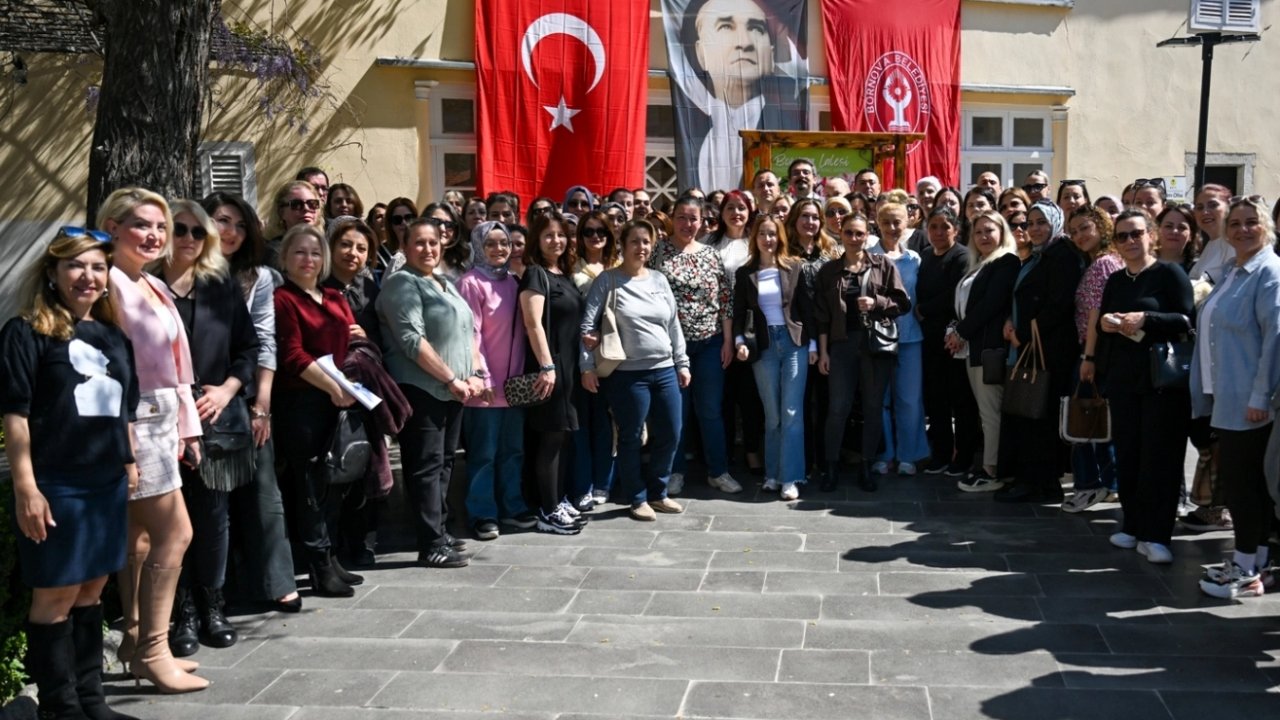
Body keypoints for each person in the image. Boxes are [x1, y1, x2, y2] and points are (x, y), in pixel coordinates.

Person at [3, 227, 145, 718]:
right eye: (76, 265)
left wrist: (128, 463)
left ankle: (91, 700)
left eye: (98, 267)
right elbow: (16, 416)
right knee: (57, 592)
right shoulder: (26, 333)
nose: (88, 276)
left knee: (92, 589)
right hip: (56, 483)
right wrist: (27, 487)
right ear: (52, 273)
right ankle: (60, 709)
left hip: (104, 482)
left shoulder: (113, 336)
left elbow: (123, 410)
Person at [99, 188, 208, 694]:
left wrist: (188, 428)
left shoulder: (151, 285)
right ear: (114, 227)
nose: (156, 235)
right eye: (143, 224)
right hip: (134, 420)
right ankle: (153, 650)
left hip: (162, 417)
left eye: (160, 227)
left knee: (140, 539)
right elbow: (108, 368)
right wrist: (122, 441)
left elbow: (178, 368)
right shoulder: (109, 284)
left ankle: (136, 637)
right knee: (175, 533)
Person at [158, 201, 257, 660]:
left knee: (213, 518)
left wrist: (228, 391)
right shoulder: (143, 286)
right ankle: (181, 615)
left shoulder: (220, 286)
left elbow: (247, 348)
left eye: (198, 232)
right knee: (168, 523)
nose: (188, 239)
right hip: (158, 420)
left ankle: (213, 607)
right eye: (179, 229)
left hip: (213, 416)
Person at [201, 192, 301, 615]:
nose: (232, 232)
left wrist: (262, 405)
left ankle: (276, 581)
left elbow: (263, 342)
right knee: (211, 503)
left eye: (241, 225)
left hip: (243, 393)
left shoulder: (257, 277)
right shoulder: (185, 273)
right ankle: (209, 597)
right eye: (223, 221)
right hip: (198, 395)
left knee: (264, 492)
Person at [377, 219, 482, 567]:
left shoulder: (443, 282)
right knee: (425, 465)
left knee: (444, 463)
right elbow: (412, 341)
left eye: (433, 242)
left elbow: (468, 332)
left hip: (454, 390)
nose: (428, 249)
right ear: (405, 247)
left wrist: (477, 373)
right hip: (423, 389)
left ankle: (439, 529)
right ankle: (429, 543)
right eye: (419, 243)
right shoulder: (401, 284)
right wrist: (452, 378)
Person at [1191, 197, 1280, 597]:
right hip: (1226, 393)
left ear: (1267, 227)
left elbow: (1275, 340)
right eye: (1236, 224)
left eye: (1252, 223)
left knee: (1244, 485)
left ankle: (1244, 566)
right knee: (1248, 483)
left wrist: (1260, 395)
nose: (1243, 230)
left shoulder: (1270, 273)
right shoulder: (1233, 270)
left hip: (1250, 399)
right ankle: (1256, 560)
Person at [1097, 209, 1194, 564]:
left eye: (1136, 234)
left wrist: (1147, 319)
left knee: (1160, 458)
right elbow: (1102, 321)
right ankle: (1133, 524)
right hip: (1124, 381)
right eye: (1122, 236)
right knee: (1129, 456)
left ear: (1151, 235)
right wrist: (1107, 324)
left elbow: (1186, 320)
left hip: (1162, 384)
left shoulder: (1169, 273)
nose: (1129, 242)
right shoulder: (1117, 280)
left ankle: (1158, 534)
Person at [272, 224, 362, 595]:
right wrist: (333, 386)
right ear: (286, 258)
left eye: (315, 253)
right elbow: (293, 355)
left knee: (333, 482)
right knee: (308, 484)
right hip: (303, 402)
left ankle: (332, 555)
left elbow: (349, 335)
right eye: (300, 252)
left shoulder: (334, 296)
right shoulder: (283, 299)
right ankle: (318, 565)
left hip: (337, 400)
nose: (308, 259)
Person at [581, 220, 690, 520]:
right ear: (623, 245)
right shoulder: (608, 280)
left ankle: (659, 492)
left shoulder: (659, 280)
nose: (641, 247)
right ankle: (637, 497)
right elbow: (587, 327)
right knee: (630, 437)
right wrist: (587, 365)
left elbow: (673, 324)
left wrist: (682, 362)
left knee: (671, 431)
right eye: (635, 241)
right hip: (627, 374)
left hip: (665, 368)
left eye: (646, 242)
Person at [650, 196, 743, 495]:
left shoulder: (711, 255)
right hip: (671, 347)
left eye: (693, 218)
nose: (687, 224)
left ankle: (718, 471)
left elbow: (725, 301)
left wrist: (728, 340)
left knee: (710, 410)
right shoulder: (658, 253)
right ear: (671, 218)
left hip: (710, 343)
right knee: (677, 411)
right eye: (681, 217)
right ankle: (675, 471)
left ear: (703, 221)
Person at [996, 200, 1084, 503]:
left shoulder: (1062, 255)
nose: (1033, 229)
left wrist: (1023, 333)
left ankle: (1039, 481)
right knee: (1029, 413)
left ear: (1055, 222)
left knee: (1039, 416)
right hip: (1030, 344)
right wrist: (1012, 321)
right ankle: (1033, 479)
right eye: (1029, 223)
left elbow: (1058, 304)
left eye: (1041, 222)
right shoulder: (1039, 255)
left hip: (1048, 349)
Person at [669, 0, 807, 193]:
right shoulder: (691, 130)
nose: (745, 43)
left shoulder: (787, 123)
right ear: (701, 53)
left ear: (771, 53)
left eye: (756, 28)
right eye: (726, 26)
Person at [815, 213, 910, 491]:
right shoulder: (829, 270)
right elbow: (821, 316)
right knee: (838, 408)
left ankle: (867, 466)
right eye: (849, 233)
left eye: (859, 234)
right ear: (840, 235)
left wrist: (877, 301)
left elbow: (903, 302)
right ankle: (830, 467)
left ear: (867, 235)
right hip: (841, 345)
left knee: (872, 407)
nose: (854, 239)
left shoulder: (883, 264)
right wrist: (823, 352)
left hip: (874, 345)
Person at [458, 222, 535, 539]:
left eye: (504, 243)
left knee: (512, 451)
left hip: (513, 386)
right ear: (477, 245)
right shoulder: (470, 283)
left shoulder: (514, 282)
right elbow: (470, 333)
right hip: (485, 388)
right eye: (491, 243)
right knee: (483, 454)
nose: (500, 249)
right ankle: (482, 513)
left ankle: (512, 506)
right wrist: (482, 375)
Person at [520, 211, 590, 533]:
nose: (556, 240)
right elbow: (533, 324)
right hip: (551, 367)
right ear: (537, 239)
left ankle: (559, 499)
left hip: (570, 367)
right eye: (548, 235)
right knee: (550, 438)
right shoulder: (535, 273)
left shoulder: (562, 273)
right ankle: (547, 511)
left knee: (562, 437)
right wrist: (547, 366)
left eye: (561, 235)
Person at [733, 215, 811, 500]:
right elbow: (739, 311)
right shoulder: (745, 273)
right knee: (773, 414)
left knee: (791, 413)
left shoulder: (794, 267)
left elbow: (806, 309)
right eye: (763, 234)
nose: (768, 239)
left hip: (793, 343)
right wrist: (740, 341)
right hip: (763, 346)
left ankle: (790, 477)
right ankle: (772, 474)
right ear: (755, 238)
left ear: (781, 237)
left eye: (773, 234)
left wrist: (812, 346)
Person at [322, 218, 385, 565]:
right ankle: (330, 550)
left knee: (367, 468)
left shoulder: (368, 288)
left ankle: (362, 542)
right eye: (346, 245)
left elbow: (380, 337)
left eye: (362, 248)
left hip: (367, 391)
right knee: (334, 473)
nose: (353, 253)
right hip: (331, 390)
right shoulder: (319, 287)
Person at [946, 211, 1020, 490]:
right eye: (978, 232)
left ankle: (993, 472)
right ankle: (991, 465)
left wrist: (960, 333)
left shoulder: (1006, 261)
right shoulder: (978, 264)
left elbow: (991, 304)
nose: (984, 236)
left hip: (988, 349)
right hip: (972, 349)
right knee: (985, 413)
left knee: (991, 414)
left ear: (1002, 232)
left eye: (990, 230)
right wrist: (957, 330)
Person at [1066, 205, 1122, 513]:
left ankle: (1091, 485)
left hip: (1094, 353)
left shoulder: (1103, 265)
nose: (1079, 236)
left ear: (1102, 227)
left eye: (1085, 228)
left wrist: (1088, 356)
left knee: (1085, 421)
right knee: (1096, 422)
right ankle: (1108, 485)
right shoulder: (1101, 262)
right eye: (1074, 231)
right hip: (1094, 352)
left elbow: (1096, 314)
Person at [916, 207, 978, 478]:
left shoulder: (962, 256)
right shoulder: (927, 255)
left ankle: (963, 458)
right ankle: (940, 454)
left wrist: (922, 309)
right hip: (929, 340)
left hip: (954, 340)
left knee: (960, 401)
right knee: (936, 400)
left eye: (945, 227)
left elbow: (953, 295)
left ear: (956, 229)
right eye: (934, 227)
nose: (939, 232)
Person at [869, 202, 928, 476]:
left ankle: (908, 454)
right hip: (877, 338)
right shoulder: (868, 256)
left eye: (898, 222)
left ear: (907, 223)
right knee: (880, 399)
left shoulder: (915, 259)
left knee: (909, 399)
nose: (893, 228)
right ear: (878, 224)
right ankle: (885, 453)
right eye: (887, 222)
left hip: (910, 337)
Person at [785, 199, 840, 487]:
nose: (810, 222)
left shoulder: (830, 254)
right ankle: (804, 462)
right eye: (804, 216)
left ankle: (827, 460)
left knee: (828, 403)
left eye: (815, 217)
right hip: (797, 338)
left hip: (829, 338)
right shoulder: (785, 255)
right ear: (794, 220)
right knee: (802, 405)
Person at [713, 190, 765, 478]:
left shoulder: (754, 244)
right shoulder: (711, 244)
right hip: (716, 328)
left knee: (750, 396)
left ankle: (753, 451)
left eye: (741, 208)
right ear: (721, 213)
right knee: (722, 397)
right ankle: (724, 453)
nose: (736, 213)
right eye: (730, 208)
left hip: (748, 328)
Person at [569, 211, 619, 508]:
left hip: (614, 356)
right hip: (581, 353)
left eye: (601, 230)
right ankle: (584, 484)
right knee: (583, 425)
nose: (595, 236)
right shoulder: (571, 267)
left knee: (608, 424)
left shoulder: (619, 266)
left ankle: (605, 483)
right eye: (588, 231)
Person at [264, 180, 323, 269]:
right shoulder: (274, 252)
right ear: (281, 212)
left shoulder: (325, 247)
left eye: (312, 204)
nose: (306, 209)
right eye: (296, 205)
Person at [1189, 184, 1234, 283]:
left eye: (1213, 205)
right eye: (1200, 207)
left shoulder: (1233, 244)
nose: (1205, 212)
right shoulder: (1212, 244)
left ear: (1228, 207)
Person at [422, 202, 469, 282]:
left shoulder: (460, 267)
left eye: (449, 225)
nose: (442, 229)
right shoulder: (413, 260)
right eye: (435, 222)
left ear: (455, 233)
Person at [1155, 204, 1197, 274]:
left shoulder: (1198, 268)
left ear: (1191, 235)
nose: (1174, 231)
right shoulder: (1141, 262)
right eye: (1168, 226)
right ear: (1157, 230)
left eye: (1182, 227)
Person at [379, 197, 417, 272]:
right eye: (397, 219)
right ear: (390, 224)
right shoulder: (380, 254)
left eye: (408, 218)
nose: (404, 223)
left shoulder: (424, 248)